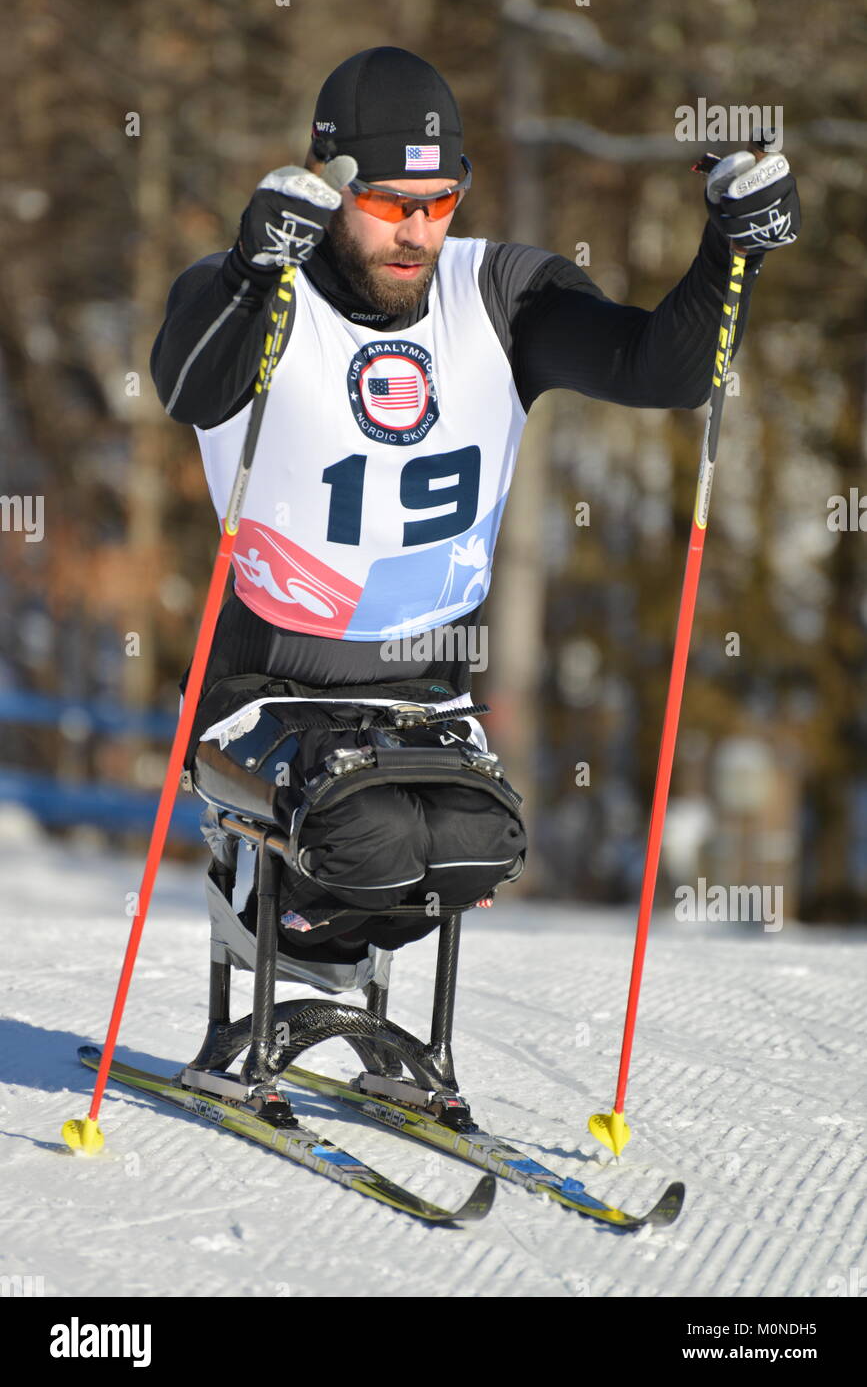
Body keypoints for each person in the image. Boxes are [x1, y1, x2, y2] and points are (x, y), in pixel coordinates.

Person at [150, 46, 799, 956]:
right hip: (265, 683)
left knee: (475, 849)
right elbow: (186, 389)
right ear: (330, 185)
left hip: (425, 687)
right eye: (385, 204)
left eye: (438, 202)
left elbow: (664, 371)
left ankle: (319, 927)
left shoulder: (498, 291)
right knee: (364, 842)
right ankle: (270, 908)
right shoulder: (255, 288)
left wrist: (732, 250)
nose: (415, 234)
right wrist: (251, 273)